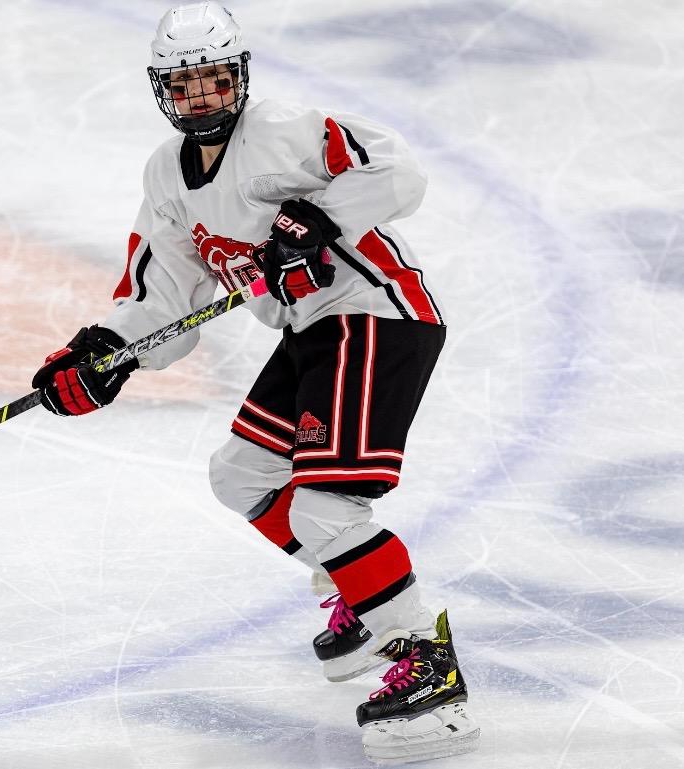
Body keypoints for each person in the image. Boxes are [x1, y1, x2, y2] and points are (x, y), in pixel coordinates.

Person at [31, 3, 479, 763]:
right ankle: (364, 594)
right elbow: (163, 294)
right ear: (161, 89)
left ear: (238, 76)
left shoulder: (281, 132)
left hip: (375, 315)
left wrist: (319, 215)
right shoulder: (166, 178)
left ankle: (428, 667)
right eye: (183, 83)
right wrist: (104, 351)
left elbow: (398, 170)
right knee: (240, 475)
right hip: (313, 332)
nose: (200, 95)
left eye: (213, 78)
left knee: (327, 507)